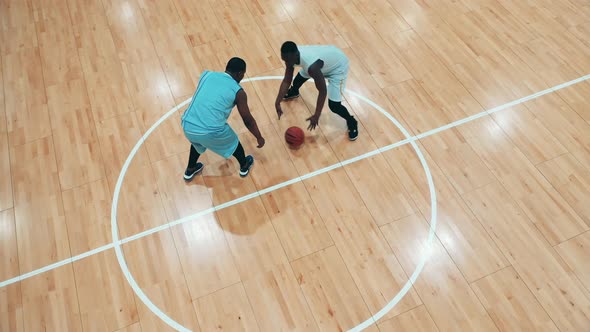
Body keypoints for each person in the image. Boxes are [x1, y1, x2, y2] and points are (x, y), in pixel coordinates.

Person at [180, 57, 265, 180]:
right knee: (234, 142)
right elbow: (248, 120)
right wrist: (259, 136)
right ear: (239, 73)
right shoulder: (238, 92)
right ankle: (244, 164)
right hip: (210, 131)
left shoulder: (207, 75)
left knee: (197, 141)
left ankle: (190, 169)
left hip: (187, 125)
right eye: (243, 74)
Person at [274, 41, 358, 140]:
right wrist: (277, 101)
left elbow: (323, 91)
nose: (286, 63)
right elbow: (287, 80)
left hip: (337, 68)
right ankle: (294, 91)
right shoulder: (292, 56)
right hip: (324, 61)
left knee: (334, 105)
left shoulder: (311, 66)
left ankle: (352, 121)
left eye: (287, 60)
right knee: (299, 79)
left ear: (295, 54)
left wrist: (316, 115)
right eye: (284, 60)